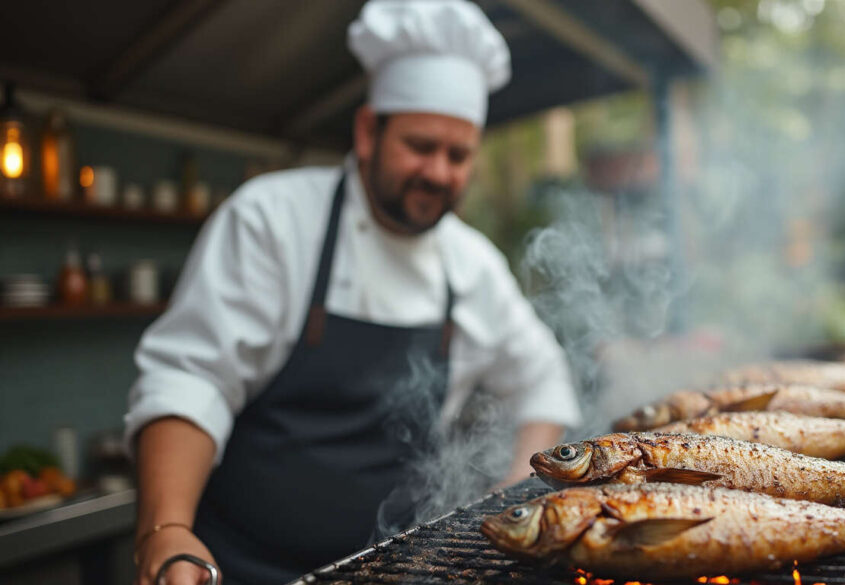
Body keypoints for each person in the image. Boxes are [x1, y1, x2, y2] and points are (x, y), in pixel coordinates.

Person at [125, 2, 582, 584]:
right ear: (368, 131)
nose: (439, 172)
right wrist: (165, 530)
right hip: (243, 567)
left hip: (401, 571)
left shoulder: (472, 264)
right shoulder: (272, 219)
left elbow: (543, 379)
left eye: (458, 155)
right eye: (421, 146)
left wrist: (515, 486)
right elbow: (191, 378)